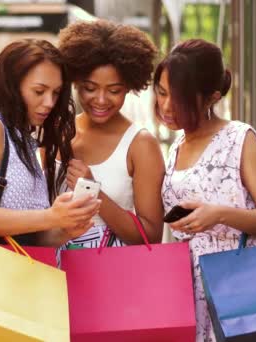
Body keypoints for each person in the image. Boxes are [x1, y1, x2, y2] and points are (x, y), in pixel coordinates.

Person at [154, 39, 256, 341]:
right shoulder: (176, 147)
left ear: (211, 97)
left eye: (179, 97)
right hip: (189, 292)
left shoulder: (240, 139)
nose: (165, 105)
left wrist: (220, 215)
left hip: (240, 284)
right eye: (161, 92)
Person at [0, 39, 100, 247]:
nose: (50, 102)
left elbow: (26, 239)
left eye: (55, 93)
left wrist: (65, 230)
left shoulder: (21, 139)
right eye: (39, 91)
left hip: (18, 275)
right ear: (11, 87)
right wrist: (50, 217)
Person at [56, 19, 165, 248]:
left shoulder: (140, 144)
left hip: (109, 275)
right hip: (52, 271)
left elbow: (151, 235)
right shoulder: (58, 133)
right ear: (75, 82)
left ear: (128, 87)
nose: (101, 100)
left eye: (114, 90)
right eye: (90, 88)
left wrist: (92, 191)